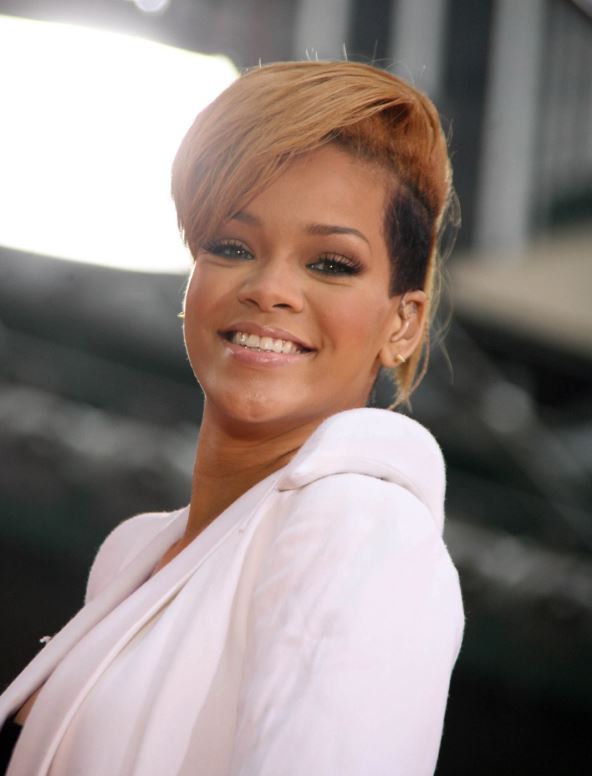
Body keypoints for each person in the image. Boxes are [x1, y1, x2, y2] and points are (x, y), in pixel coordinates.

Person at [0, 60, 464, 775]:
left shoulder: (363, 525)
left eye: (331, 263)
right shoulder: (135, 552)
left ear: (403, 323)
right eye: (232, 246)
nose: (270, 288)